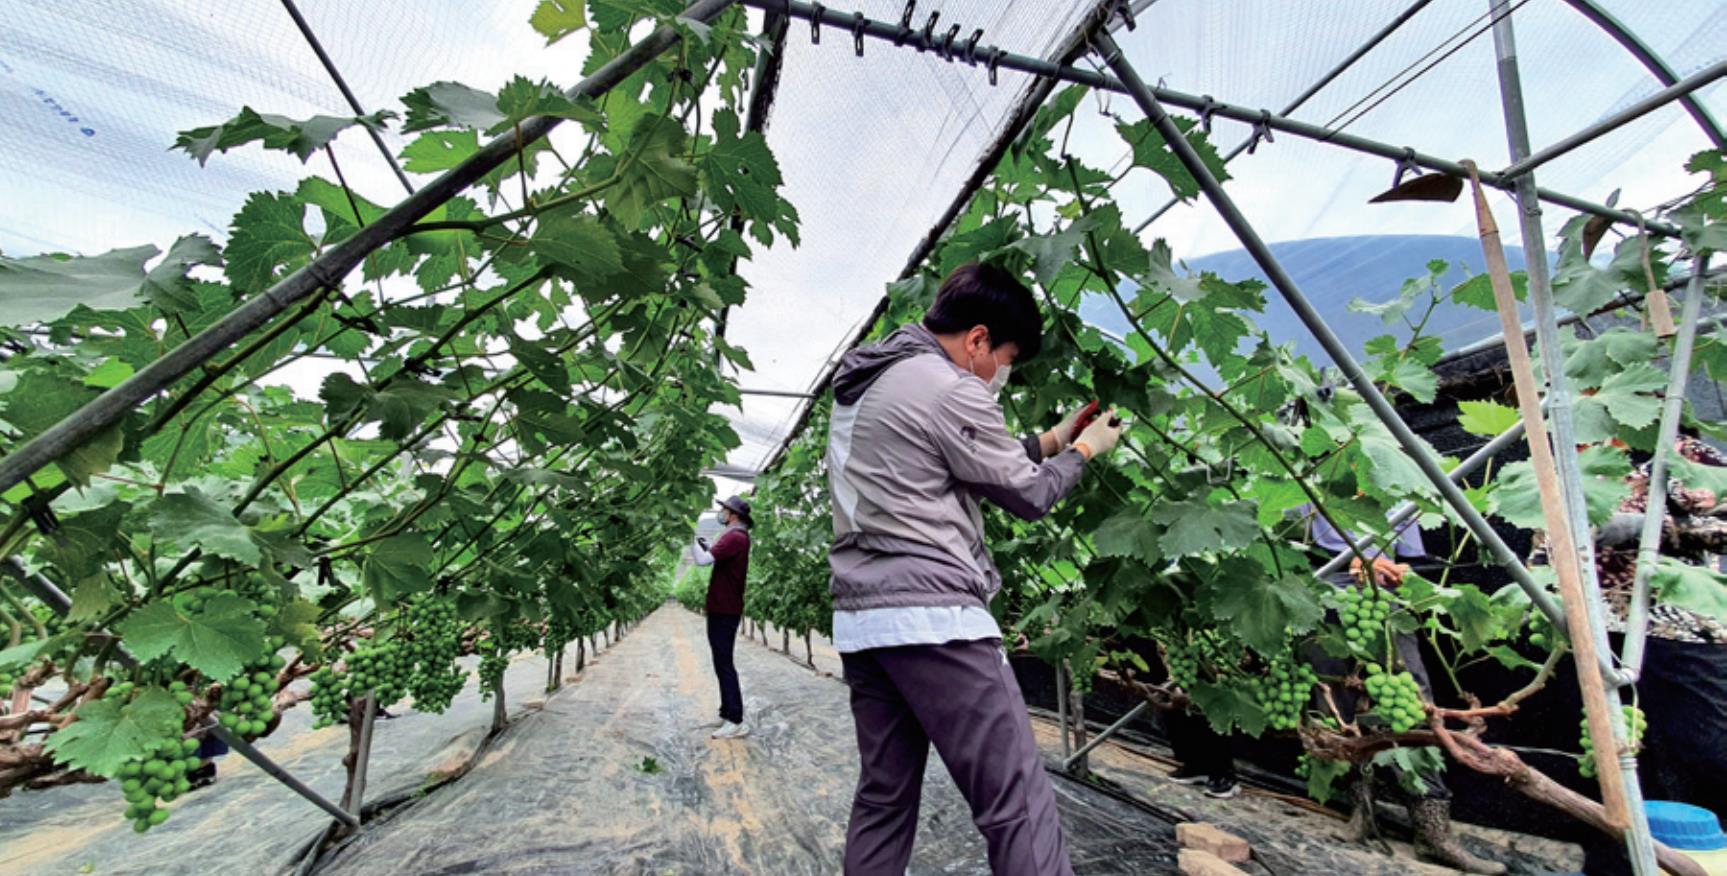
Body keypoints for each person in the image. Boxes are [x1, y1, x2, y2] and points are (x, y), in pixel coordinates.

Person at [824, 261, 1125, 876]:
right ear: (979, 339)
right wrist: (1089, 451)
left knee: (884, 799)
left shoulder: (876, 381)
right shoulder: (950, 386)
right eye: (1006, 358)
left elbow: (952, 456)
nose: (1002, 375)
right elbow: (1027, 496)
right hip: (935, 621)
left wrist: (1055, 438)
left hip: (865, 622)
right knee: (1017, 803)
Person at [1529, 432, 1727, 876]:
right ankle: (1616, 864)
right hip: (1588, 630)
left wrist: (1643, 529)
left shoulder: (1676, 449)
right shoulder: (1558, 454)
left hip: (1677, 629)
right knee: (1608, 760)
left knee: (1707, 750)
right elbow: (1543, 546)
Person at [1302, 506, 1506, 875]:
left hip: (1386, 610)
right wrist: (1345, 561)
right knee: (1338, 713)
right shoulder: (1309, 483)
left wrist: (1400, 574)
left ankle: (1433, 833)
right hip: (1324, 609)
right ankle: (1361, 814)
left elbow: (1410, 559)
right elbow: (1288, 546)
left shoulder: (1397, 494)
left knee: (1415, 709)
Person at [692, 495, 753, 740]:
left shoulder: (735, 537)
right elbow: (715, 556)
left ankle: (735, 719)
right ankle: (727, 711)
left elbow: (703, 560)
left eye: (724, 510)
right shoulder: (736, 537)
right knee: (721, 661)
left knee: (724, 663)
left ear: (733, 515)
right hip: (724, 607)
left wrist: (690, 540)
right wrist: (706, 544)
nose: (722, 514)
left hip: (724, 609)